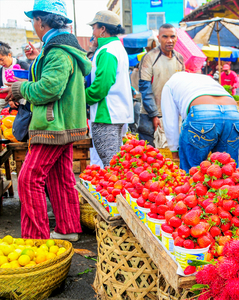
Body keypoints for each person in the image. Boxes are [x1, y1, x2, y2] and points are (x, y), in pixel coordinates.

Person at [5, 0, 91, 240]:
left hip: (53, 125)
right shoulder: (60, 47)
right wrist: (36, 61)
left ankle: (36, 239)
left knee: (29, 178)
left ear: (41, 21)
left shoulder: (57, 51)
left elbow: (49, 89)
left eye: (34, 20)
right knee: (60, 177)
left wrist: (22, 88)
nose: (34, 24)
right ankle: (68, 228)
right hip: (65, 122)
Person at [161, 72, 239, 172]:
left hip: (203, 113)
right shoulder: (205, 78)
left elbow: (170, 121)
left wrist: (174, 149)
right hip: (232, 112)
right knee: (228, 171)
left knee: (193, 173)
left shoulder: (169, 85)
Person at [85, 11, 133, 167]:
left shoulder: (107, 51)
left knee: (111, 166)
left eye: (94, 28)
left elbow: (101, 86)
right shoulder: (116, 47)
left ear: (102, 29)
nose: (93, 32)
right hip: (115, 114)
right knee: (115, 165)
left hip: (106, 115)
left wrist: (81, 98)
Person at [138, 23, 184, 145]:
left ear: (176, 38)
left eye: (172, 36)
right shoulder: (149, 57)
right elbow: (145, 88)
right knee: (150, 156)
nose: (169, 40)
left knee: (172, 155)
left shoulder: (180, 59)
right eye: (165, 37)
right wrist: (154, 115)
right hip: (150, 116)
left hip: (172, 115)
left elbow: (181, 88)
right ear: (158, 38)